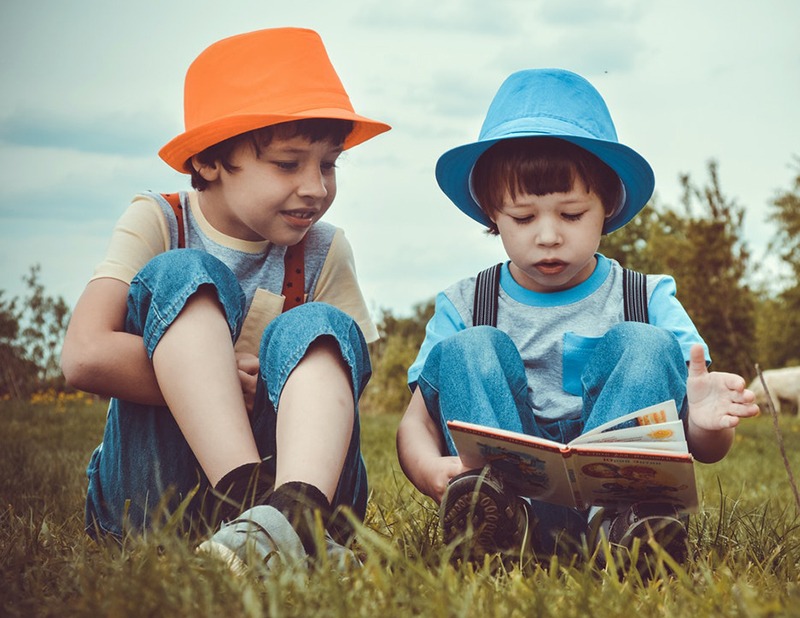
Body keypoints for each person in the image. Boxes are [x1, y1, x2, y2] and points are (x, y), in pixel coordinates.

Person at [395, 68, 759, 571]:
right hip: (508, 501)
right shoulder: (465, 303)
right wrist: (431, 470)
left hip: (621, 501)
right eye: (524, 218)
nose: (548, 236)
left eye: (570, 215)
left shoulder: (646, 296)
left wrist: (702, 423)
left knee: (647, 344)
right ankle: (495, 525)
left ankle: (630, 532)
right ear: (491, 213)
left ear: (606, 206)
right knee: (469, 349)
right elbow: (415, 423)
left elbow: (707, 448)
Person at [61, 27, 390, 572]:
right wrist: (213, 380)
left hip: (298, 475)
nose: (316, 187)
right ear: (210, 161)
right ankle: (258, 511)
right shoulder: (160, 220)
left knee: (320, 326)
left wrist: (284, 380)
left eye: (329, 164)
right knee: (184, 273)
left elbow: (350, 370)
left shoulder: (325, 248)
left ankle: (296, 514)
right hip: (155, 498)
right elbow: (85, 355)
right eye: (289, 164)